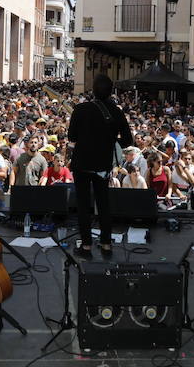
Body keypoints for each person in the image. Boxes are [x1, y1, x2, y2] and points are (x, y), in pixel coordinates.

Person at [67, 74, 132, 258]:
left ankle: (86, 246)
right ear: (111, 91)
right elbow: (127, 140)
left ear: (93, 90)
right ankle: (105, 245)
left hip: (82, 164)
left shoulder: (80, 109)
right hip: (103, 165)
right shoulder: (117, 112)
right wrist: (110, 139)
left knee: (83, 204)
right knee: (103, 204)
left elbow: (72, 137)